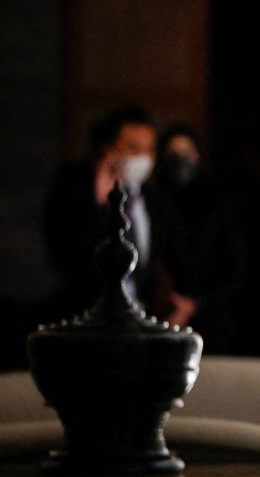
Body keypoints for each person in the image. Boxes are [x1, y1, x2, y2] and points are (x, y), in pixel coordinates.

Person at [44, 107, 191, 322]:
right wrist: (98, 204)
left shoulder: (157, 198)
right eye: (134, 148)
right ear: (108, 149)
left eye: (149, 149)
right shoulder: (73, 189)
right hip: (89, 318)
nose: (143, 158)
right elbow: (66, 256)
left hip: (143, 317)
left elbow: (175, 256)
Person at [155, 123, 247, 353]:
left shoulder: (219, 202)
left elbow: (236, 268)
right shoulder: (155, 200)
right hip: (160, 317)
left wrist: (196, 305)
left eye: (186, 152)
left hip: (213, 323)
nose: (180, 160)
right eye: (173, 154)